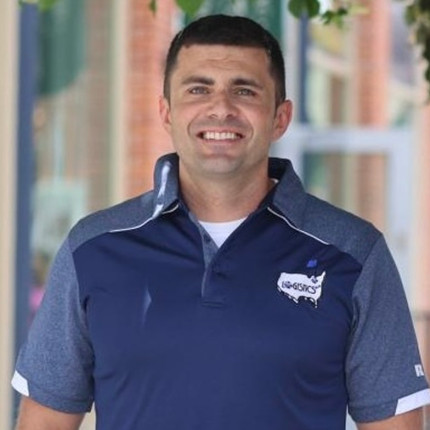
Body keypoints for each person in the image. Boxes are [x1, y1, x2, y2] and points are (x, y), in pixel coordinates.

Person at [12, 14, 430, 430]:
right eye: (199, 89)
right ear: (166, 112)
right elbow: (44, 422)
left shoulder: (353, 252)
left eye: (244, 91)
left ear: (280, 117)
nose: (221, 109)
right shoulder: (92, 249)